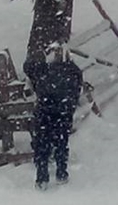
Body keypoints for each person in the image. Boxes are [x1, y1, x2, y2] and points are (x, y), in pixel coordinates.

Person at [24, 45, 84, 190]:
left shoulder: (42, 69)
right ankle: (61, 173)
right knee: (61, 142)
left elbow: (28, 69)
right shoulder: (72, 70)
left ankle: (42, 177)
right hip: (63, 111)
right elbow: (77, 89)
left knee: (42, 143)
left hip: (45, 111)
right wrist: (70, 106)